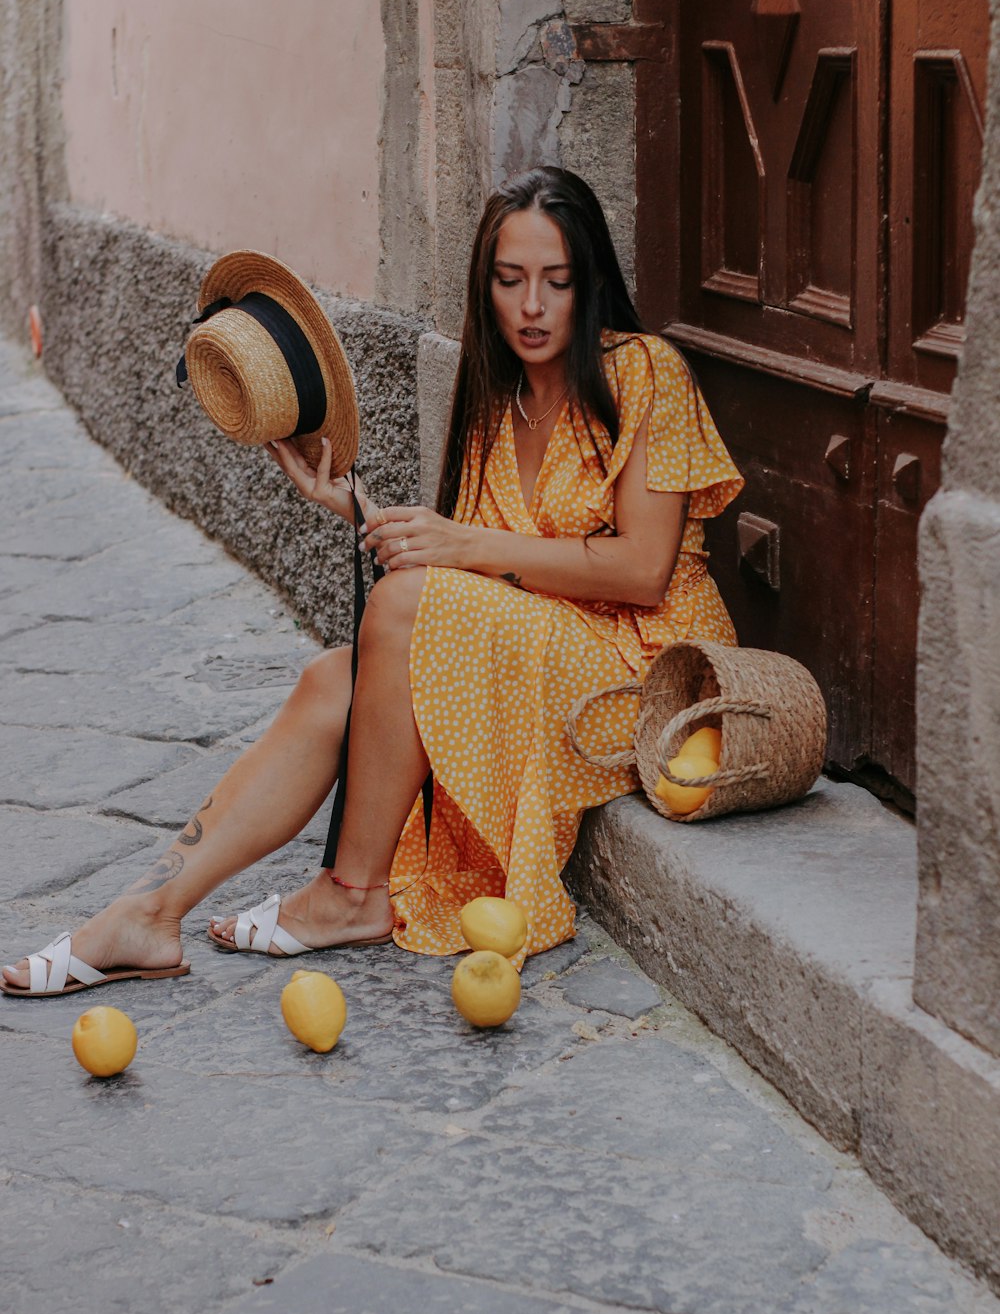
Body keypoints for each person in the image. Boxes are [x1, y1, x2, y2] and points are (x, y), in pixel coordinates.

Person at [1, 166, 743, 998]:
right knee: (333, 680)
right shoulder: (496, 400)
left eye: (556, 281)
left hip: (643, 665)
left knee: (404, 607)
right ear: (485, 286)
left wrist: (462, 545)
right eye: (509, 281)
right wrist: (356, 509)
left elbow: (642, 571)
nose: (532, 306)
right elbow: (477, 582)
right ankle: (147, 911)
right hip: (543, 644)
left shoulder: (646, 373)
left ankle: (352, 893)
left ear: (592, 282)